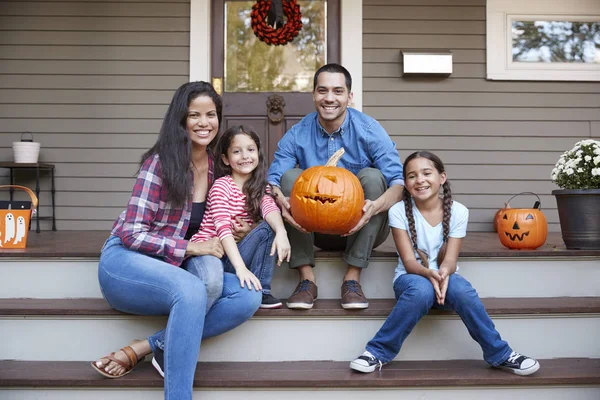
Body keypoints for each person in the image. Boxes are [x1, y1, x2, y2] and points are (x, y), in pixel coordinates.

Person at [90, 81, 262, 400]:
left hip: (176, 268)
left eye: (211, 114)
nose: (203, 122)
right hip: (127, 263)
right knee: (193, 289)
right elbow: (131, 232)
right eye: (194, 114)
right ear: (180, 119)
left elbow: (217, 218)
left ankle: (148, 346)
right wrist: (190, 247)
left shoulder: (215, 168)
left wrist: (237, 230)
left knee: (248, 295)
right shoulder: (159, 163)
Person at [350, 151, 540, 376]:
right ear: (406, 184)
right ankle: (377, 352)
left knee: (463, 290)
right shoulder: (398, 211)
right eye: (411, 176)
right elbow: (409, 262)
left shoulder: (459, 211)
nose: (419, 179)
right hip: (411, 280)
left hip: (445, 279)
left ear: (442, 178)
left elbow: (450, 260)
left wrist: (443, 273)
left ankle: (499, 353)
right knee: (421, 290)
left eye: (426, 173)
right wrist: (429, 274)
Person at [267, 63, 404, 310]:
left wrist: (375, 206)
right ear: (313, 95)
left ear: (350, 97)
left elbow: (398, 185)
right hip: (312, 229)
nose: (329, 98)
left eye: (338, 91)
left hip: (362, 226)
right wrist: (281, 201)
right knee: (290, 178)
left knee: (373, 177)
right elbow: (273, 182)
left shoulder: (370, 130)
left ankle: (352, 279)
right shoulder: (298, 133)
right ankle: (306, 279)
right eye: (323, 91)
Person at [190, 125, 291, 308]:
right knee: (212, 282)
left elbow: (270, 210)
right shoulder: (222, 187)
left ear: (258, 154)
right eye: (237, 151)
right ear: (226, 159)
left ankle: (263, 291)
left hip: (236, 253)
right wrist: (240, 268)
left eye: (250, 150)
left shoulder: (261, 187)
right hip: (211, 253)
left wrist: (281, 232)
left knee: (269, 227)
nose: (245, 156)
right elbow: (223, 230)